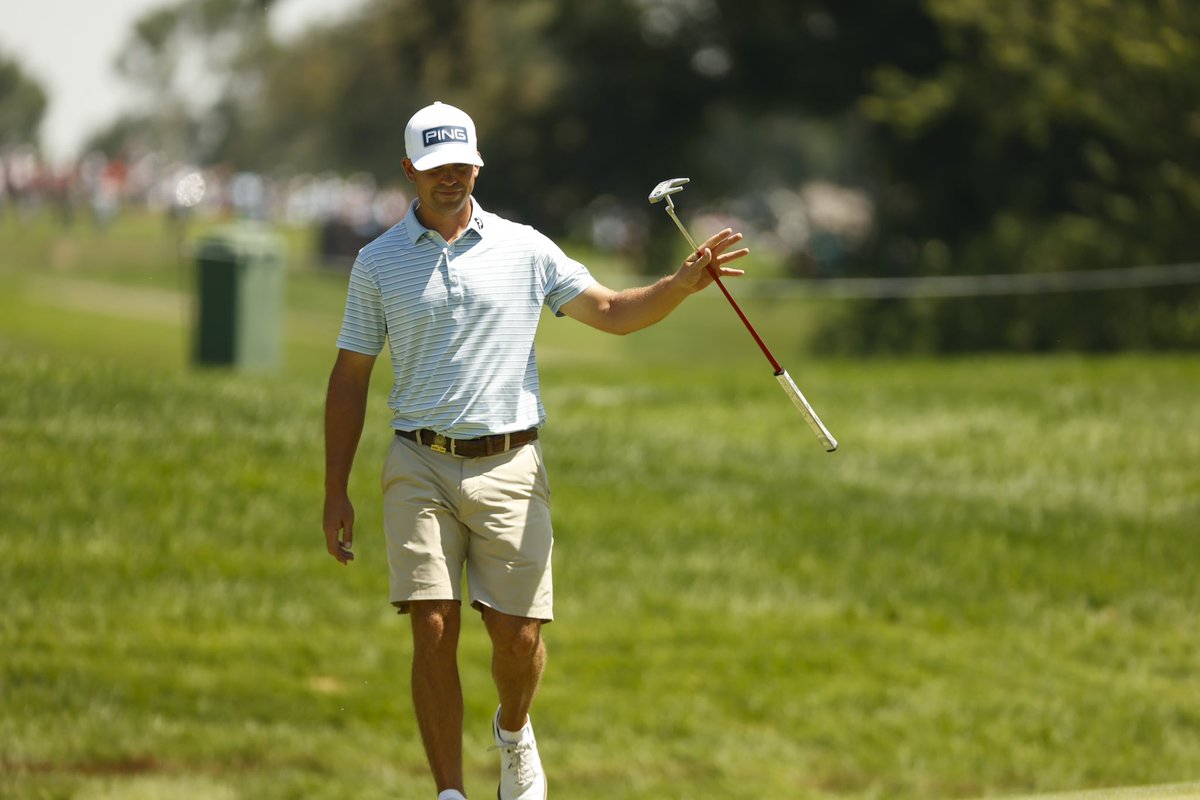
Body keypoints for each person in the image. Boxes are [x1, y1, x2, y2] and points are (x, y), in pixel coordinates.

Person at [321, 101, 748, 800]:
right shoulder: (378, 263)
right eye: (435, 168)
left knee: (517, 642)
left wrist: (679, 285)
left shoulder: (526, 248)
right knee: (432, 624)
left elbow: (611, 312)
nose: (450, 179)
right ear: (409, 171)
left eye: (460, 164)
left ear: (478, 165)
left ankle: (514, 733)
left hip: (511, 463)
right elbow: (350, 379)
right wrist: (335, 489)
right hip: (418, 461)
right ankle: (451, 793)